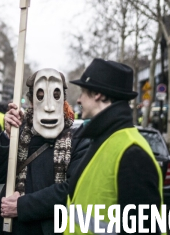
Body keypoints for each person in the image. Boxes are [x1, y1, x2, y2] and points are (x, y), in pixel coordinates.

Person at [0, 68, 88, 235]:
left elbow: (73, 190)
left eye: (55, 95)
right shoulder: (19, 132)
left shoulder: (77, 141)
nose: (48, 106)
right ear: (31, 101)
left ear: (63, 101)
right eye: (40, 96)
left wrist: (22, 206)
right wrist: (7, 136)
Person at [64, 59, 163, 235]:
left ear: (98, 95)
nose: (78, 100)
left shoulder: (132, 154)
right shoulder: (104, 139)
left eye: (83, 92)